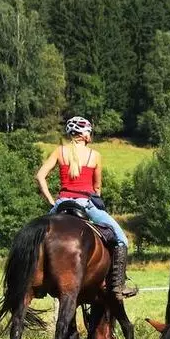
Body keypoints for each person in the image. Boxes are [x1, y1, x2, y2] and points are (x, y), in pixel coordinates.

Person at [35, 117, 136, 300]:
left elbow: (40, 176)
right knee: (121, 239)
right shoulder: (94, 156)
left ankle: (37, 283)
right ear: (84, 135)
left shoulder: (59, 152)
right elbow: (97, 188)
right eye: (89, 131)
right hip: (86, 204)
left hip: (61, 203)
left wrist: (51, 201)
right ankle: (117, 286)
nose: (91, 135)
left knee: (36, 238)